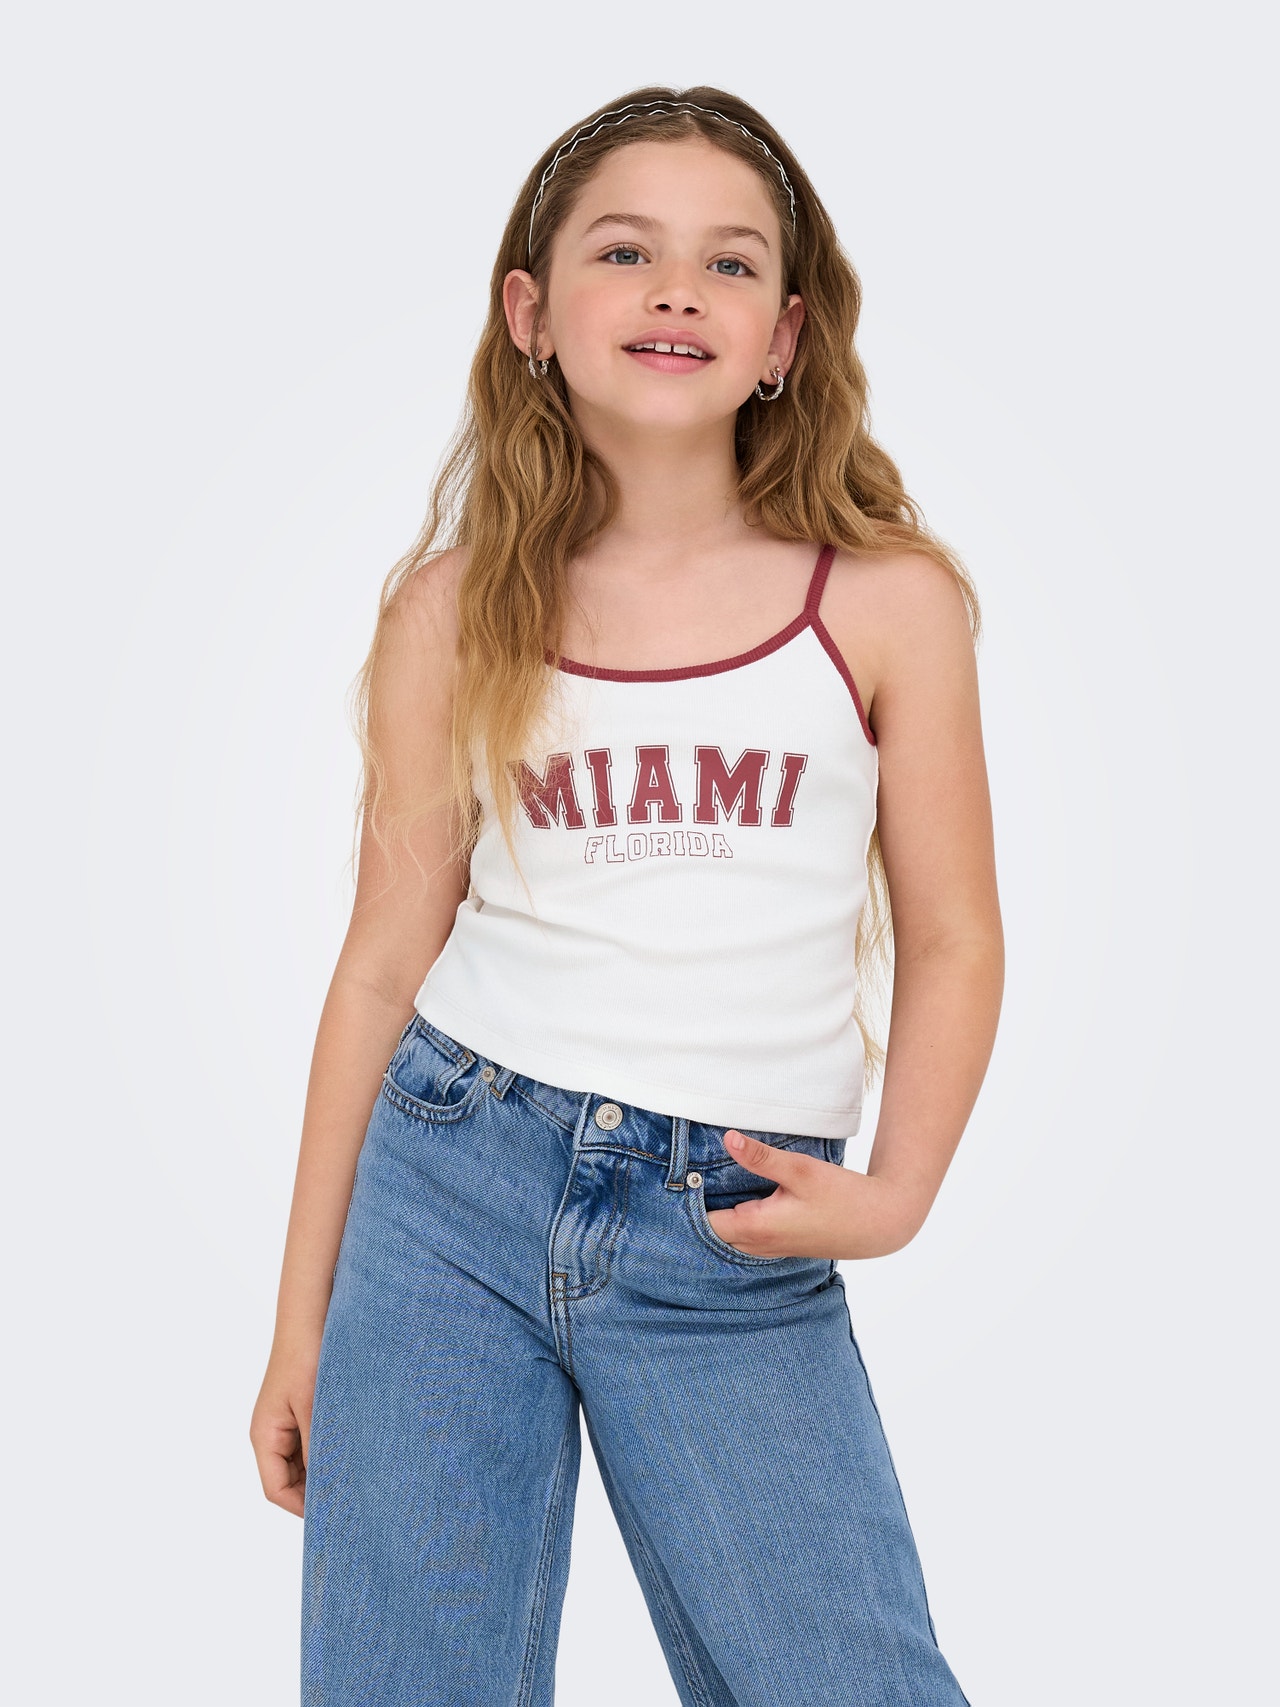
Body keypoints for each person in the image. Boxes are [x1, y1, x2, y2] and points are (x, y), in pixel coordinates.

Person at [250, 84, 1004, 1707]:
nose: (677, 290)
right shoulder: (453, 609)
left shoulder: (885, 604)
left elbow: (954, 933)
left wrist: (900, 1189)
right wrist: (301, 1321)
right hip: (449, 1183)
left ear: (785, 337)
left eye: (729, 263)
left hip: (732, 1221)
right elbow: (381, 964)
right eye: (624, 251)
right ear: (530, 313)